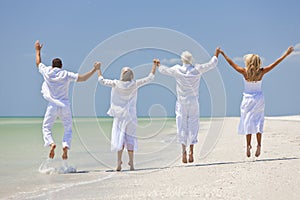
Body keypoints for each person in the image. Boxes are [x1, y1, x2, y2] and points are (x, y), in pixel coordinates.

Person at [219, 46, 294, 157]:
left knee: (247, 122)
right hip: (259, 99)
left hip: (247, 99)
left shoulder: (244, 72)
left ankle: (248, 145)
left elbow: (231, 64)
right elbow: (275, 64)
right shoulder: (261, 72)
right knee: (259, 121)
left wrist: (223, 54)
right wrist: (286, 54)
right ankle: (259, 145)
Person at [35, 40, 100, 160]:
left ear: (52, 65)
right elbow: (83, 79)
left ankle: (51, 143)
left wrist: (38, 50)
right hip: (64, 105)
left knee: (46, 127)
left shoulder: (47, 72)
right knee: (68, 128)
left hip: (52, 105)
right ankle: (65, 146)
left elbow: (38, 63)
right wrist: (94, 70)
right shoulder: (65, 74)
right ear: (61, 66)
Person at [157, 48, 221, 163]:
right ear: (191, 60)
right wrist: (216, 53)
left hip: (182, 102)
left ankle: (183, 152)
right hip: (193, 102)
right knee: (193, 124)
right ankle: (191, 151)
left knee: (181, 125)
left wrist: (158, 64)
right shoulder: (197, 69)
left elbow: (163, 70)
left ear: (182, 60)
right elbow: (212, 64)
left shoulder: (177, 69)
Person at [98, 60, 159, 171]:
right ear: (131, 75)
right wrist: (154, 65)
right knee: (130, 138)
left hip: (120, 115)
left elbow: (102, 81)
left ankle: (118, 162)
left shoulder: (116, 83)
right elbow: (150, 78)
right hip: (131, 115)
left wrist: (98, 69)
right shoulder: (134, 84)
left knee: (119, 138)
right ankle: (131, 162)